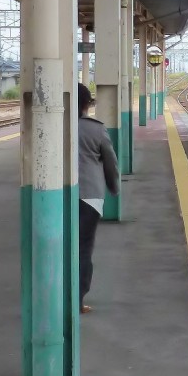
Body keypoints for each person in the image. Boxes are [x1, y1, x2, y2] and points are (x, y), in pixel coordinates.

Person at [78, 83, 119, 314]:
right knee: (83, 248)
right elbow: (110, 162)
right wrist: (114, 188)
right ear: (87, 104)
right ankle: (78, 298)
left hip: (55, 199)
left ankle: (56, 294)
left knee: (57, 246)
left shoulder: (55, 127)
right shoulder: (96, 129)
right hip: (90, 198)